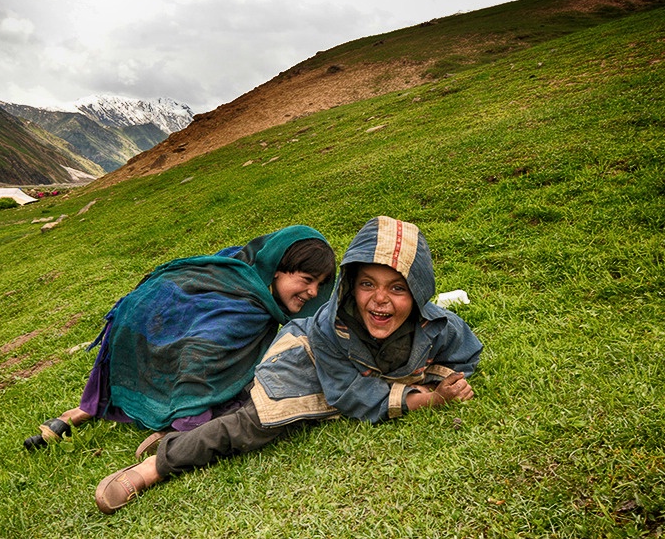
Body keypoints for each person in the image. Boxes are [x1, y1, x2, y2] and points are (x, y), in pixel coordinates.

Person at [93, 216, 483, 514]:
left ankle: (180, 436)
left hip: (349, 377)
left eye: (397, 288)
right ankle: (154, 467)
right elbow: (350, 393)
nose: (380, 300)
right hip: (304, 362)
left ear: (418, 294)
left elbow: (466, 355)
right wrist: (425, 399)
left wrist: (446, 379)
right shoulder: (334, 328)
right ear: (351, 287)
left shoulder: (440, 326)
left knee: (244, 411)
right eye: (368, 285)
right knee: (252, 424)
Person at [24, 225, 337, 451]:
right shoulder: (247, 308)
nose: (312, 293)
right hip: (155, 345)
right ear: (278, 270)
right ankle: (168, 421)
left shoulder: (238, 264)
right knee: (242, 395)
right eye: (306, 280)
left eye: (319, 284)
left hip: (138, 339)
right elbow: (199, 357)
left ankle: (73, 416)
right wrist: (190, 421)